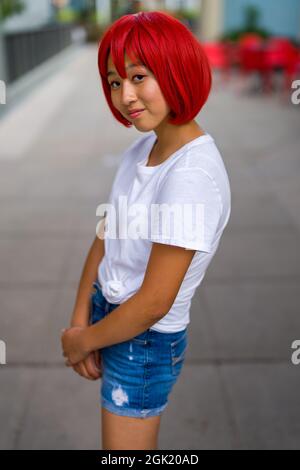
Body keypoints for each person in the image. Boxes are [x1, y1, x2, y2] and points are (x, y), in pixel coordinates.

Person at [61, 10, 231, 450]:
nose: (125, 95)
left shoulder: (191, 176)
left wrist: (84, 341)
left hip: (144, 340)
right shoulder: (143, 148)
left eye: (139, 77)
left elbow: (155, 302)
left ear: (177, 70)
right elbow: (106, 234)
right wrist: (81, 316)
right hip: (111, 315)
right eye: (115, 81)